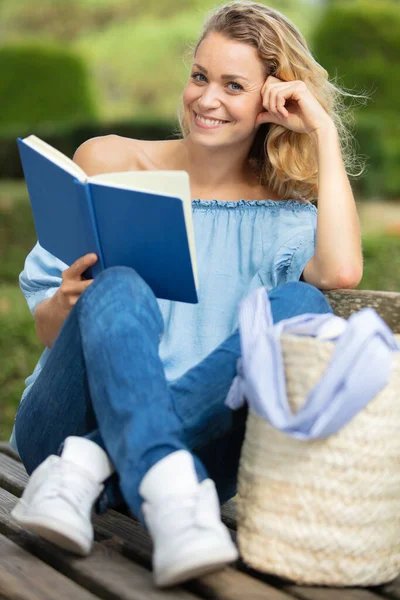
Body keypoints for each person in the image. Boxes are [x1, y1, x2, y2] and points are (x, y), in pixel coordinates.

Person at [10, 0, 364, 588]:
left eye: (233, 85)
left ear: (273, 100)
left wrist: (322, 130)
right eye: (200, 76)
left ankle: (96, 464)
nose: (206, 98)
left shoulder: (286, 217)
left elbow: (342, 273)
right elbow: (48, 328)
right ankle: (136, 468)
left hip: (197, 451)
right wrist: (70, 306)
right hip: (65, 429)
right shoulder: (110, 162)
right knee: (118, 285)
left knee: (303, 306)